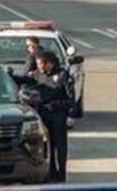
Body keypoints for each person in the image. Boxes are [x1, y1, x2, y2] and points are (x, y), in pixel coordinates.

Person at [24, 50, 77, 182]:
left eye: (40, 64)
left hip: (58, 116)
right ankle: (51, 174)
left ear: (48, 63)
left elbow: (71, 98)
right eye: (37, 64)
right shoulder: (36, 74)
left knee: (60, 146)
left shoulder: (62, 74)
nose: (38, 66)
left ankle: (61, 174)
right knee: (48, 146)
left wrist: (71, 116)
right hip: (43, 115)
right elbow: (24, 80)